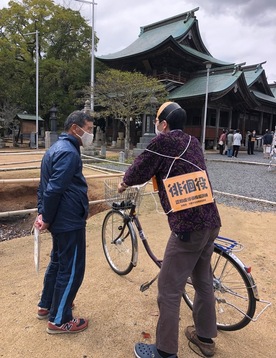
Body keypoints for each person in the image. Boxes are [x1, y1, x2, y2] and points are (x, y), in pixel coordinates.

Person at [118, 102, 221, 358]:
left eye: (156, 122)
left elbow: (140, 168)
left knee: (168, 288)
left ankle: (165, 352)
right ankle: (205, 338)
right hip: (211, 221)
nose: (156, 127)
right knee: (203, 280)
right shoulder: (194, 143)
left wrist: (124, 182)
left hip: (188, 226)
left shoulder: (162, 143)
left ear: (163, 124)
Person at [35, 110, 94, 334]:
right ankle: (59, 319)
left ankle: (46, 305)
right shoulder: (69, 153)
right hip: (68, 220)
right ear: (74, 128)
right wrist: (46, 218)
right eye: (88, 129)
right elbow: (53, 189)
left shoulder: (55, 149)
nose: (90, 134)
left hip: (60, 218)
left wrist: (43, 214)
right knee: (71, 269)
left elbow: (44, 187)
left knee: (58, 263)